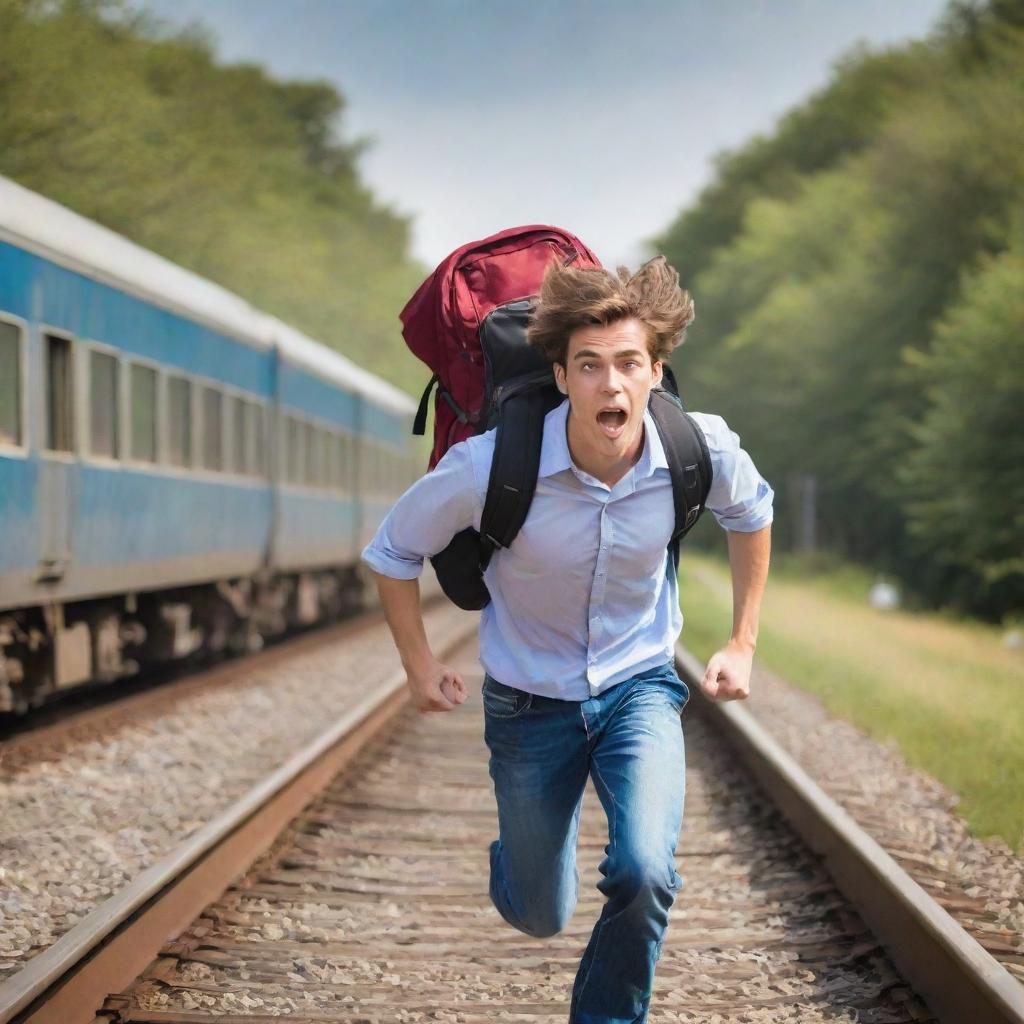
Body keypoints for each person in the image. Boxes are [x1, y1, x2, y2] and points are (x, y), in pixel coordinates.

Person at [362, 256, 773, 1024]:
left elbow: (753, 513)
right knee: (540, 912)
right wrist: (418, 666)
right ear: (560, 376)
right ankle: (517, 870)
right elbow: (391, 552)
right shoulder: (489, 466)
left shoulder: (698, 450)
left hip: (639, 691)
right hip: (527, 707)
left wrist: (742, 642)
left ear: (656, 371)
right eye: (589, 367)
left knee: (646, 872)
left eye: (627, 365)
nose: (609, 386)